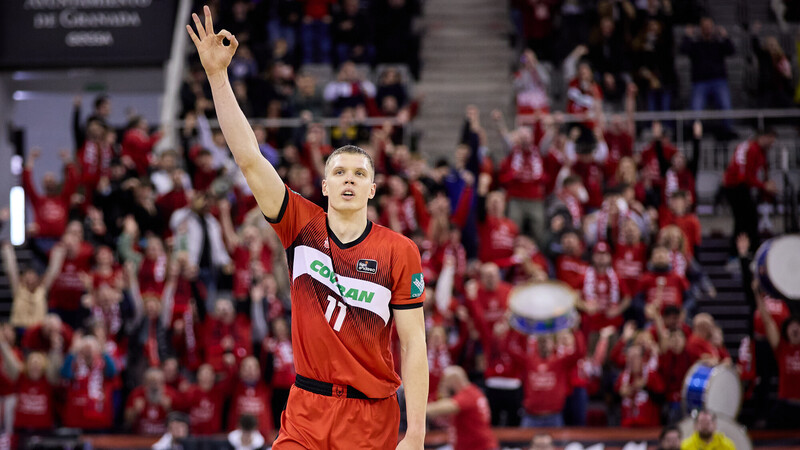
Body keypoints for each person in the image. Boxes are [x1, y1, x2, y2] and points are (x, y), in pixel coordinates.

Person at [186, 8, 429, 449]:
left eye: (359, 173)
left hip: (372, 416)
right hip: (306, 410)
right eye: (340, 172)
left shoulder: (400, 250)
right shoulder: (300, 223)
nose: (349, 179)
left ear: (373, 188)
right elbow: (249, 160)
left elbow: (414, 345)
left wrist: (416, 432)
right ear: (323, 184)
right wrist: (218, 79)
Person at [722, 129, 778, 254]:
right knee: (746, 220)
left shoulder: (753, 148)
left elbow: (757, 173)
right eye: (771, 139)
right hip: (736, 187)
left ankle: (744, 251)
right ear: (763, 137)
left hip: (738, 186)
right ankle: (742, 252)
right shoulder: (753, 150)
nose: (772, 143)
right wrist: (764, 186)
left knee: (746, 220)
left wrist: (765, 184)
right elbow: (746, 176)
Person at [755, 281, 800, 429]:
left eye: (798, 327)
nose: (795, 329)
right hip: (785, 404)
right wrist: (758, 296)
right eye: (792, 327)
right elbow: (768, 322)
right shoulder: (782, 347)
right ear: (786, 330)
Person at [426, 366, 498, 450]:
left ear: (453, 381)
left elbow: (445, 407)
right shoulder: (472, 391)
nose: (443, 384)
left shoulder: (468, 394)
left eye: (444, 381)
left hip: (478, 447)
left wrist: (419, 410)